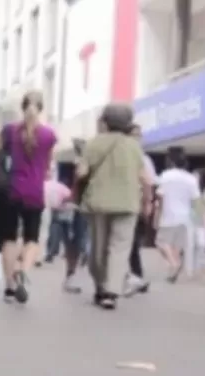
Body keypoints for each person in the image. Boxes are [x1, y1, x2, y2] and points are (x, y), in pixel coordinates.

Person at [75, 104, 150, 309]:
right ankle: (111, 291)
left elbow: (81, 173)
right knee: (119, 247)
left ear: (105, 122)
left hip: (98, 202)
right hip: (127, 202)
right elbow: (146, 179)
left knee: (98, 248)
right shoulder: (134, 146)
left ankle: (101, 286)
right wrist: (147, 202)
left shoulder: (93, 144)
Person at [0, 91, 57, 304]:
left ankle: (9, 288)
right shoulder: (49, 135)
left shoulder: (9, 131)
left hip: (10, 190)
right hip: (34, 192)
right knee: (32, 239)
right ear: (41, 109)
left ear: (22, 108)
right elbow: (48, 167)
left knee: (10, 239)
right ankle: (22, 269)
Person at [154, 147, 201, 282]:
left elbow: (160, 197)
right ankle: (172, 272)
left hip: (168, 215)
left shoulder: (166, 176)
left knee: (161, 242)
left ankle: (173, 264)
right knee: (176, 246)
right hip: (185, 217)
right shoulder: (191, 178)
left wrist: (157, 215)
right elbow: (195, 200)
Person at [126, 124, 156, 295]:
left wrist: (148, 203)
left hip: (135, 206)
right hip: (121, 204)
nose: (137, 139)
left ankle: (136, 276)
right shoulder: (123, 155)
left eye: (139, 135)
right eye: (133, 135)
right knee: (127, 243)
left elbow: (148, 183)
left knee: (132, 243)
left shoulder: (144, 159)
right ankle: (132, 276)